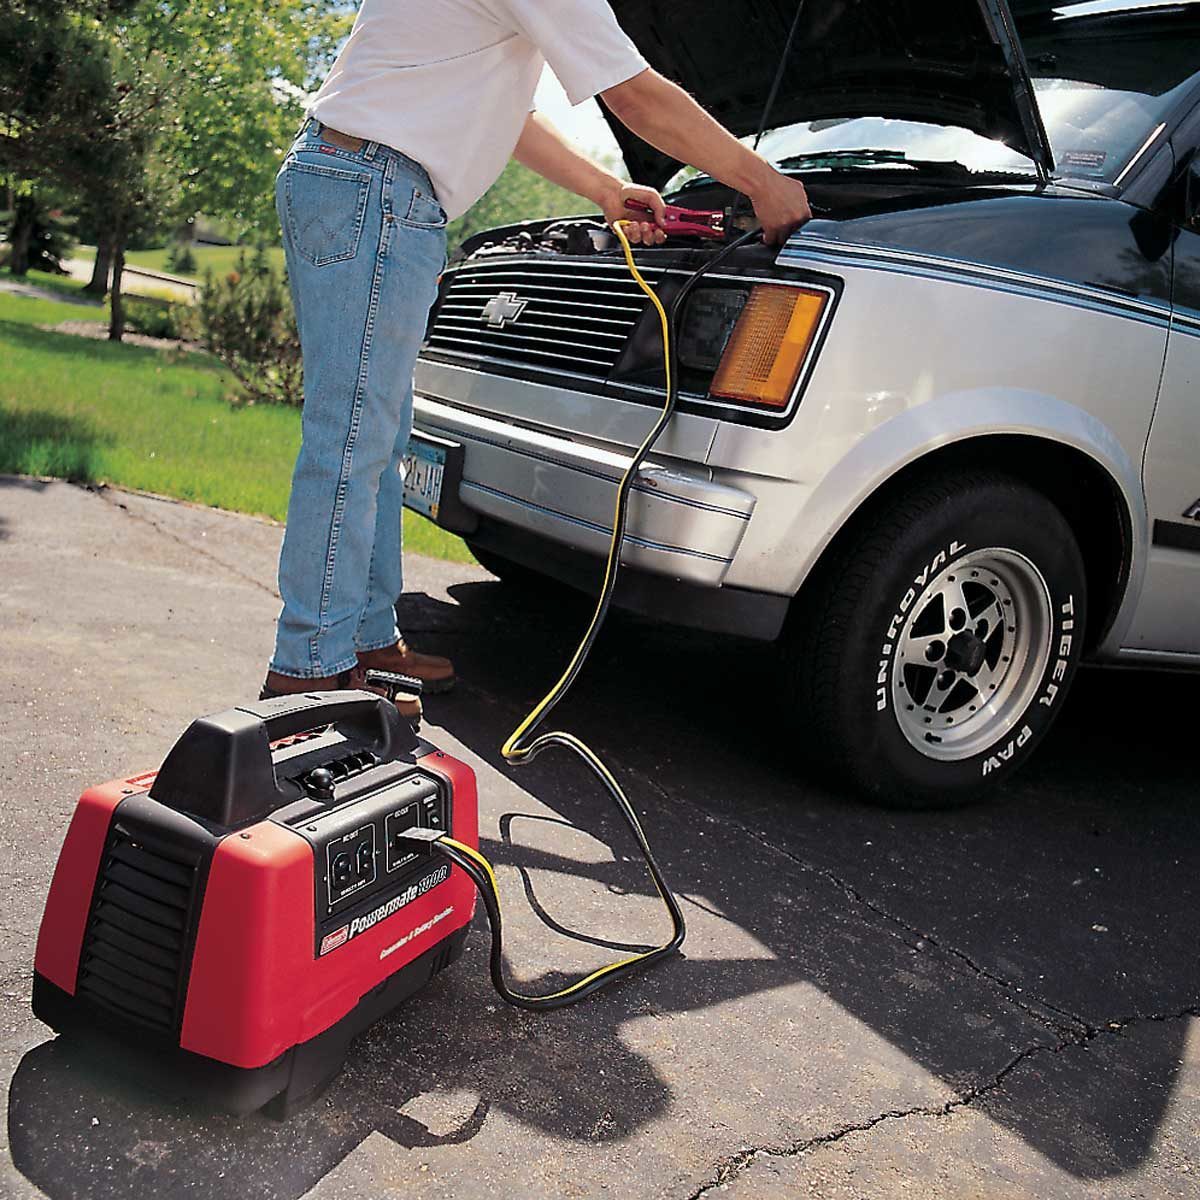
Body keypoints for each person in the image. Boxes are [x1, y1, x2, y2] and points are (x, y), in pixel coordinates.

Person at [262, 0, 812, 723]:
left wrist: (605, 190)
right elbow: (634, 95)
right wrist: (762, 182)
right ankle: (308, 670)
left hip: (359, 175)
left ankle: (361, 638)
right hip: (376, 186)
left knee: (378, 437)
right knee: (351, 439)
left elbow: (508, 118)